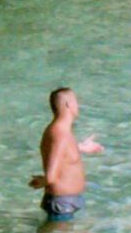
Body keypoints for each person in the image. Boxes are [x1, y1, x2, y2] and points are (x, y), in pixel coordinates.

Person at [29, 86, 103, 221]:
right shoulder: (59, 134)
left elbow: (60, 152)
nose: (78, 104)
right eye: (76, 101)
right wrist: (43, 181)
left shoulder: (61, 132)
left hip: (66, 202)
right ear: (69, 104)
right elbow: (51, 177)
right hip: (62, 203)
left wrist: (80, 147)